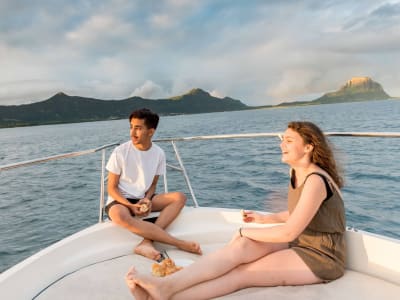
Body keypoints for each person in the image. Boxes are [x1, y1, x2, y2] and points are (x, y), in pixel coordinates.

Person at [125, 121, 346, 300]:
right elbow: (300, 213)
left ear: (308, 147)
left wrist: (245, 230)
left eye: (289, 140)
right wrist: (263, 219)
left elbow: (289, 232)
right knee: (241, 247)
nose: (282, 145)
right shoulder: (297, 173)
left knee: (241, 274)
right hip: (301, 241)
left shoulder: (316, 180)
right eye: (282, 139)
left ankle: (164, 294)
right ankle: (166, 286)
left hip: (321, 256)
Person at [106, 108, 202, 261]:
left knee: (179, 197)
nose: (132, 133)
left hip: (143, 199)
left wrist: (148, 199)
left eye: (138, 128)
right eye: (131, 127)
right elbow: (111, 187)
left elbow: (153, 185)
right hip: (121, 201)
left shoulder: (159, 153)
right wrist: (130, 206)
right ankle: (178, 243)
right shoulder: (120, 152)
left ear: (150, 132)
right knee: (119, 216)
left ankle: (146, 242)